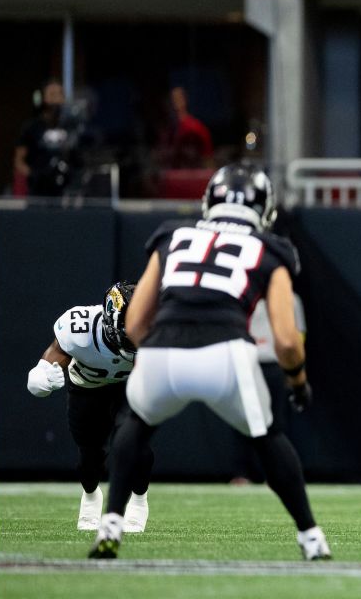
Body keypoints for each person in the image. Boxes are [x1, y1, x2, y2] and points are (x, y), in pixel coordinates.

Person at [88, 163, 331, 561]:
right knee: (268, 440)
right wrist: (298, 383)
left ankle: (111, 523)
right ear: (264, 209)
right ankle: (311, 538)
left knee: (134, 427)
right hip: (227, 353)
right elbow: (287, 340)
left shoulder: (173, 234)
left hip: (163, 350)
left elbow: (135, 323)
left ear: (209, 201)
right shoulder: (271, 248)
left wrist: (161, 352)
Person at [24, 282, 153, 533]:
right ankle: (91, 495)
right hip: (87, 388)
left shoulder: (155, 327)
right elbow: (53, 353)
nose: (139, 334)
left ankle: (139, 500)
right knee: (90, 456)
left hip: (128, 387)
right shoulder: (80, 328)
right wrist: (40, 376)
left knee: (135, 443)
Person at [229, 293, 308, 486]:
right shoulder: (242, 293)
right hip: (246, 363)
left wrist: (294, 368)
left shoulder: (290, 299)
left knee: (276, 422)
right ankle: (243, 474)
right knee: (243, 419)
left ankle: (276, 474)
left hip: (275, 365)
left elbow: (297, 334)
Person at [14, 79, 74, 196]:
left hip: (66, 192)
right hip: (37, 192)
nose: (56, 99)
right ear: (43, 98)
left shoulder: (71, 127)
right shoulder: (31, 127)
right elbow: (18, 162)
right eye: (52, 94)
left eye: (59, 94)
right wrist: (34, 176)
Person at [167, 86, 214, 169]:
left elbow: (207, 157)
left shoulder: (196, 127)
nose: (174, 102)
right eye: (172, 99)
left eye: (178, 98)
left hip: (193, 174)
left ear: (185, 100)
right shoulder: (169, 130)